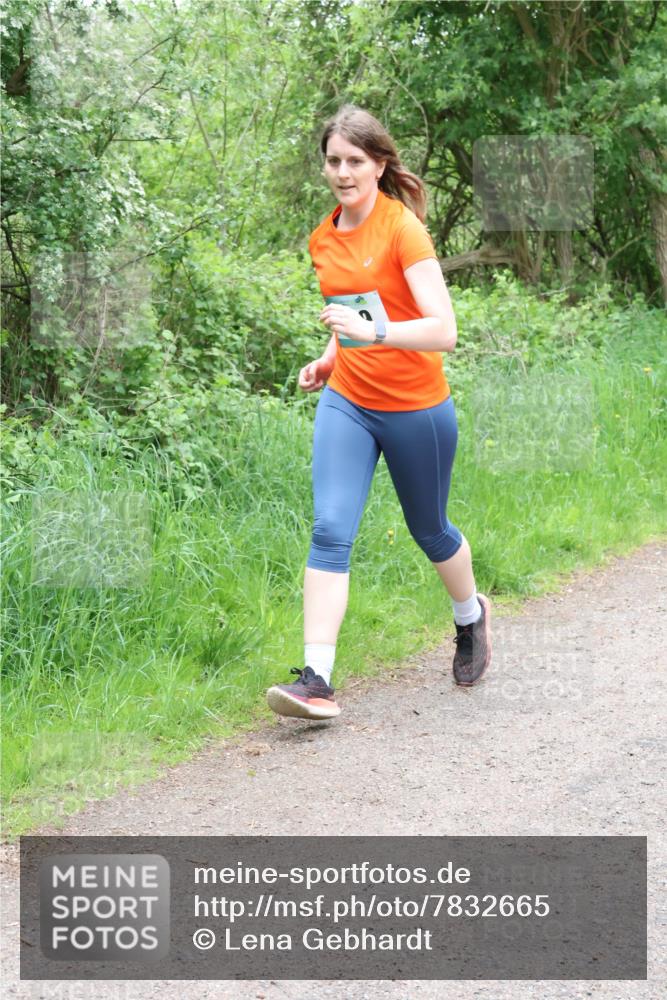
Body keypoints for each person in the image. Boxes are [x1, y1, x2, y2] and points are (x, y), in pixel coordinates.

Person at [266, 105, 491, 721]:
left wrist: (371, 327)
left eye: (355, 161)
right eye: (333, 161)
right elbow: (352, 322)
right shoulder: (323, 238)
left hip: (417, 408)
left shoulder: (402, 230)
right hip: (350, 403)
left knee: (431, 531)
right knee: (331, 529)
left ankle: (470, 617)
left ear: (380, 163)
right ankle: (316, 680)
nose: (342, 172)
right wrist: (328, 359)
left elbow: (444, 331)